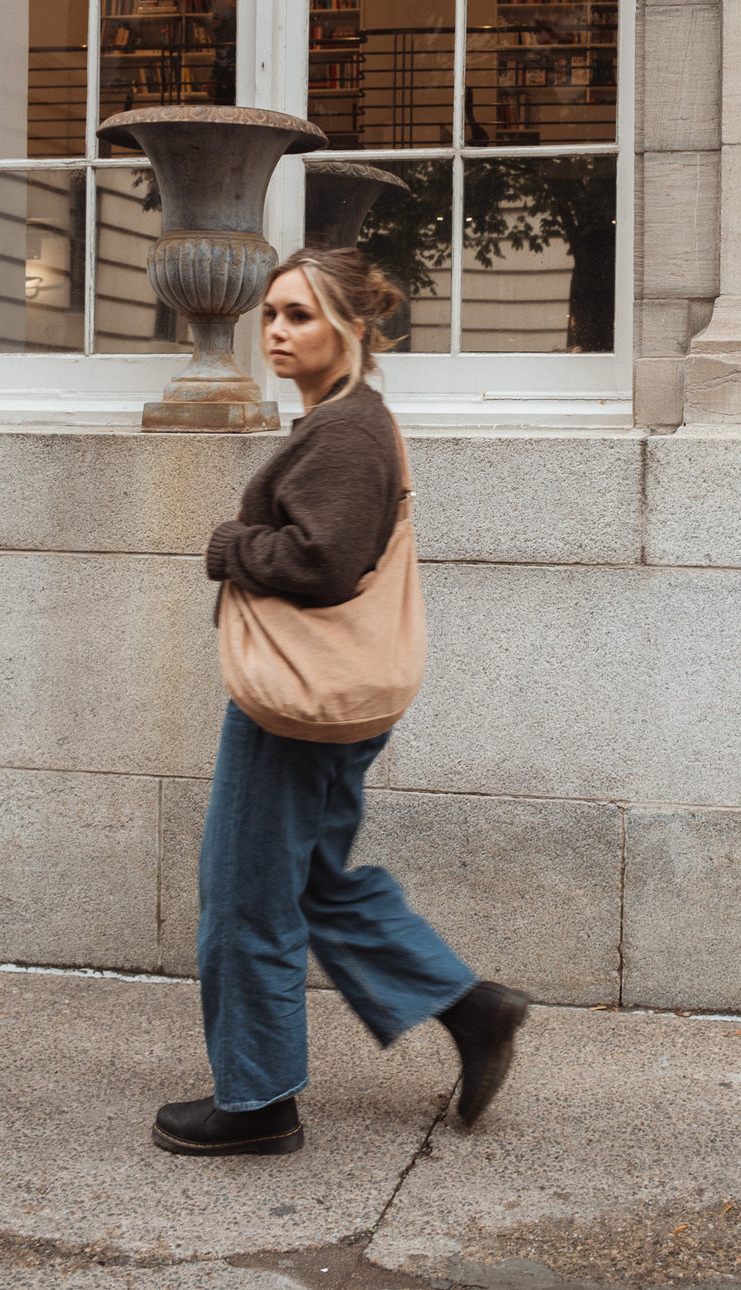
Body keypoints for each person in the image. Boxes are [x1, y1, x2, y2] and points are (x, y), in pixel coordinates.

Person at [153, 247, 528, 1157]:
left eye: (300, 316)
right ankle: (471, 1010)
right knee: (313, 882)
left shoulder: (347, 431)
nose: (276, 332)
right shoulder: (346, 421)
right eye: (272, 315)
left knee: (245, 896)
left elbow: (323, 563)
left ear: (354, 329)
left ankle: (257, 1101)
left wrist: (229, 545)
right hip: (332, 697)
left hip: (294, 703)